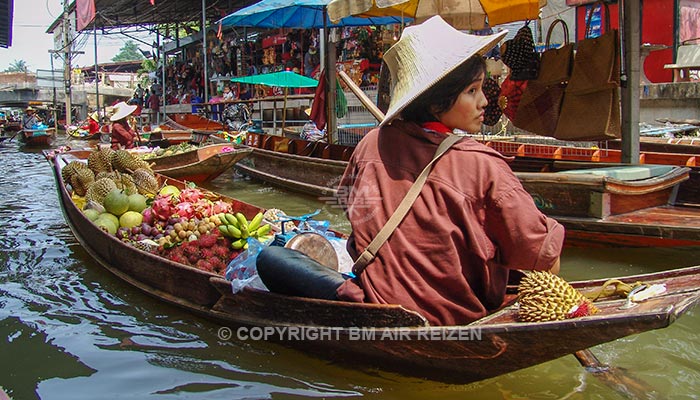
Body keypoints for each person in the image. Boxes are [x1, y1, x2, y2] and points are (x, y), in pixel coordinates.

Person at [256, 16, 565, 326]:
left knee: (271, 257)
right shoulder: (484, 164)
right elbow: (543, 257)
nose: (484, 101)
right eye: (472, 91)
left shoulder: (372, 144)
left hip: (378, 308)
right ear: (435, 104)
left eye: (481, 89)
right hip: (456, 318)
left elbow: (355, 231)